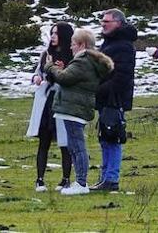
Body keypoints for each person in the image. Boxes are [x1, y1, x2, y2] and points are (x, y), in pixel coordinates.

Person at [44, 27, 113, 196]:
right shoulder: (89, 61)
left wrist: (50, 67)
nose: (70, 47)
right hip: (77, 107)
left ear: (82, 45)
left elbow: (64, 78)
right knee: (74, 145)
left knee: (77, 146)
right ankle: (79, 181)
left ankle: (81, 183)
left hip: (73, 108)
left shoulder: (82, 61)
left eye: (73, 44)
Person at [27, 22, 74, 192]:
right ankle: (40, 179)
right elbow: (37, 73)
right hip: (47, 100)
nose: (53, 36)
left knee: (65, 142)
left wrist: (62, 71)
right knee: (43, 140)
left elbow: (73, 77)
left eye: (56, 33)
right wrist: (36, 79)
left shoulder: (73, 55)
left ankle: (66, 179)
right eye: (52, 33)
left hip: (63, 101)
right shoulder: (46, 54)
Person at [95, 8, 137, 192]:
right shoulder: (109, 44)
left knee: (112, 137)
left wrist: (98, 90)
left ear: (118, 23)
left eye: (107, 22)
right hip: (106, 98)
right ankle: (105, 177)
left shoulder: (123, 46)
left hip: (114, 99)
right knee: (105, 137)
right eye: (102, 22)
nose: (103, 25)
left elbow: (121, 77)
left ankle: (111, 178)